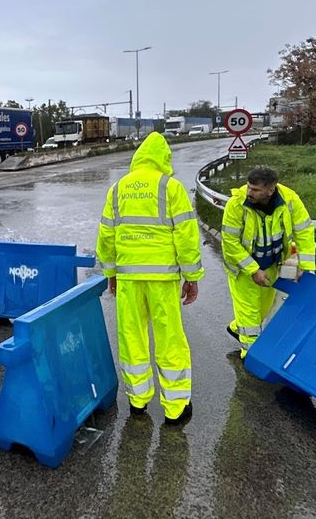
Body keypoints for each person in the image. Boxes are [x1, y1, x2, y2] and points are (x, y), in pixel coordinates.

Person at [96, 132, 204, 424]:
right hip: (163, 280)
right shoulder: (171, 188)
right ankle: (175, 408)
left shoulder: (117, 189)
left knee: (132, 338)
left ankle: (138, 401)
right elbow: (187, 237)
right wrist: (191, 276)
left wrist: (110, 273)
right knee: (170, 339)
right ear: (164, 159)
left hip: (129, 279)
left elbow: (106, 236)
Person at [221, 166, 316, 358]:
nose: (249, 192)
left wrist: (306, 268)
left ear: (270, 190)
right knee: (249, 314)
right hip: (243, 268)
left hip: (272, 265)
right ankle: (251, 356)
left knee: (263, 310)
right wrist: (253, 269)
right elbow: (230, 241)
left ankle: (235, 327)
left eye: (255, 190)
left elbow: (304, 232)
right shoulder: (237, 204)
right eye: (249, 187)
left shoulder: (290, 200)